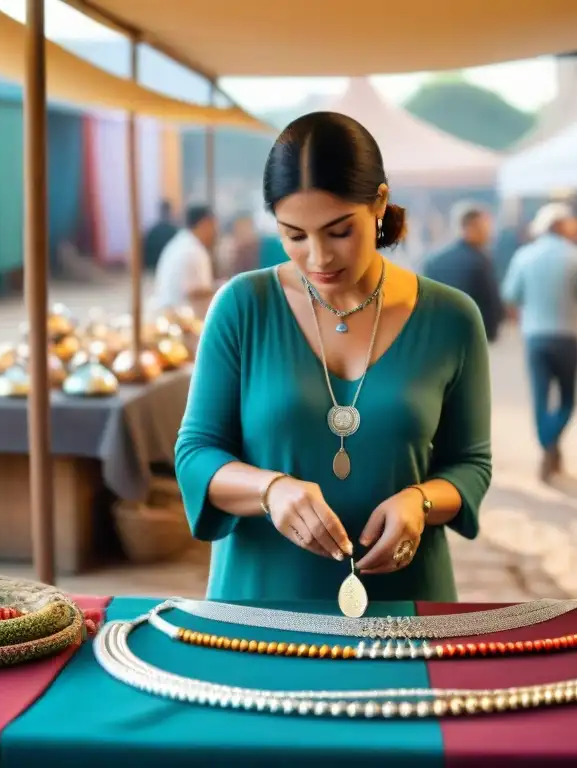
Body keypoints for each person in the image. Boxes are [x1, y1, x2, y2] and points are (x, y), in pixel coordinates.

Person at [175, 111, 492, 603]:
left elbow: (470, 464)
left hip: (406, 601)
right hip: (260, 604)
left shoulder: (452, 317)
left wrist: (420, 500)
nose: (319, 258)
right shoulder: (242, 306)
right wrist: (271, 490)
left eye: (339, 231)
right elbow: (195, 454)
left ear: (379, 203)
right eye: (295, 235)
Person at [502, 202, 577, 481]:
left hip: (535, 337)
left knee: (540, 398)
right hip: (567, 336)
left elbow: (510, 295)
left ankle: (547, 446)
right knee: (568, 399)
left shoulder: (524, 256)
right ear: (562, 226)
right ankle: (551, 443)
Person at [421, 202, 504, 342]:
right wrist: (492, 332)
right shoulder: (480, 261)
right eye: (485, 227)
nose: (489, 233)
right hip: (471, 336)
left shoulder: (433, 260)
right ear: (471, 226)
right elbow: (492, 303)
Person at [150, 204, 218, 316]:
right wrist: (222, 289)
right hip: (180, 316)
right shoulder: (193, 250)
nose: (215, 232)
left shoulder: (181, 241)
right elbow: (195, 292)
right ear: (205, 224)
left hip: (168, 311)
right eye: (213, 226)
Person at [215, 212, 261, 278]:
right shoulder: (228, 248)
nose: (246, 233)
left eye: (248, 228)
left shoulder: (254, 248)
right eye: (242, 228)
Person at [143, 200, 180, 270]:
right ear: (170, 212)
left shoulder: (151, 232)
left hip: (150, 271)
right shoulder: (175, 233)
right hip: (168, 269)